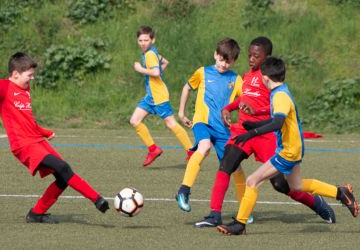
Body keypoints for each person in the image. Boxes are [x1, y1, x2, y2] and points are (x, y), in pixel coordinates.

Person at [194, 37, 335, 228]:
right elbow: (245, 98)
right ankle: (214, 215)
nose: (251, 59)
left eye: (256, 56)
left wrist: (257, 114)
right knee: (226, 164)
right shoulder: (248, 75)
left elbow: (278, 111)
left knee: (281, 185)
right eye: (250, 55)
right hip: (244, 133)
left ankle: (316, 204)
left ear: (267, 58)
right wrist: (228, 108)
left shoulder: (271, 79)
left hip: (265, 135)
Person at [216, 56, 358, 235]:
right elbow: (277, 119)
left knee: (252, 180)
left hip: (288, 151)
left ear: (265, 78)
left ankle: (240, 224)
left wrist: (252, 133)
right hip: (293, 147)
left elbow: (277, 123)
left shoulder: (280, 96)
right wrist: (254, 125)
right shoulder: (281, 91)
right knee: (297, 185)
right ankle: (340, 192)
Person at [0, 52, 110, 224]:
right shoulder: (3, 86)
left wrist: (45, 132)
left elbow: (28, 120)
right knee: (63, 167)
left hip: (37, 140)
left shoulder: (26, 89)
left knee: (63, 177)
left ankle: (36, 213)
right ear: (15, 74)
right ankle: (97, 199)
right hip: (23, 145)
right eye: (29, 75)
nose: (32, 78)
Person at [175, 37, 243, 213]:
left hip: (223, 130)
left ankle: (244, 207)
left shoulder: (236, 80)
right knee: (204, 147)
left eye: (228, 62)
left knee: (235, 167)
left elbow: (245, 101)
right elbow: (187, 88)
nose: (223, 65)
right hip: (202, 122)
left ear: (234, 61)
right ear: (215, 55)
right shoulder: (203, 72)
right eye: (221, 59)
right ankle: (184, 191)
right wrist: (181, 113)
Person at [130, 26, 193, 167]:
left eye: (146, 40)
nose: (143, 43)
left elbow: (156, 72)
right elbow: (165, 62)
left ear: (153, 39)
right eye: (140, 40)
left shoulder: (149, 55)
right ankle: (153, 149)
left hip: (158, 96)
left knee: (171, 123)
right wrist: (155, 77)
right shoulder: (151, 52)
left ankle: (191, 151)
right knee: (135, 120)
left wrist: (141, 69)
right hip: (151, 96)